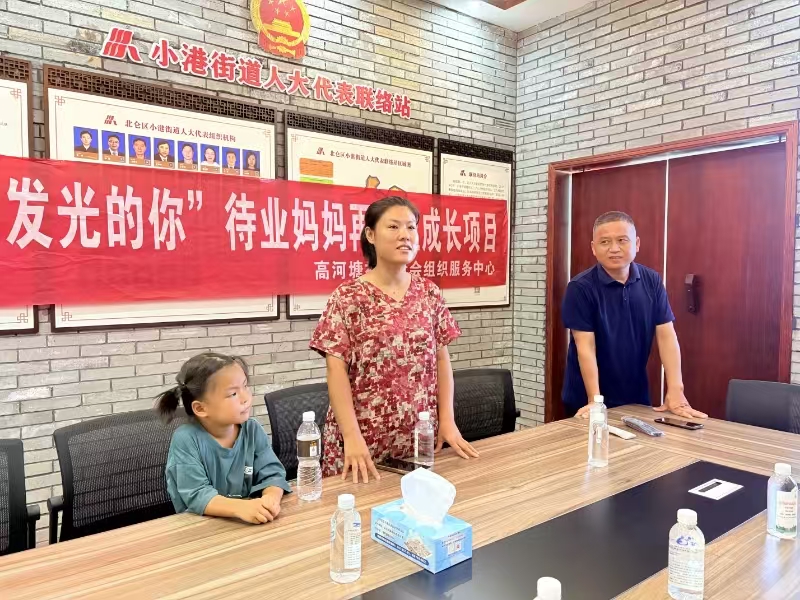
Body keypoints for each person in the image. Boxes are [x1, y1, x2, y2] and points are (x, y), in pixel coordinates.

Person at [310, 196, 479, 483]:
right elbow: (335, 369)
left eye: (411, 227)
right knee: (356, 508)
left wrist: (447, 420)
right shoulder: (348, 297)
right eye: (393, 226)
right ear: (370, 235)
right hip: (362, 442)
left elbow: (441, 360)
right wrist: (351, 436)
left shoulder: (429, 293)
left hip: (419, 440)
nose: (405, 235)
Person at [562, 211, 707, 420]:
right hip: (587, 398)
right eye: (605, 242)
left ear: (637, 244)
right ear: (593, 248)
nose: (614, 248)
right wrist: (595, 400)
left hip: (636, 396)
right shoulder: (580, 288)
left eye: (622, 240)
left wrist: (676, 390)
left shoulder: (652, 281)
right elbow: (585, 347)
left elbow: (666, 336)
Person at [158, 352, 292, 524]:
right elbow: (197, 494)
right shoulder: (186, 439)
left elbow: (272, 474)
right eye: (233, 394)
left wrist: (270, 498)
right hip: (202, 528)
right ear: (200, 408)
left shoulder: (252, 429)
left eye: (245, 386)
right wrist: (241, 508)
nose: (245, 398)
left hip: (246, 524)